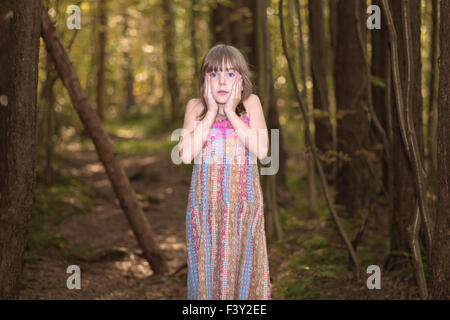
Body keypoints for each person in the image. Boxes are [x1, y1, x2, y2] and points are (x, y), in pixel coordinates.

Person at [178, 44, 271, 300]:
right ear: (204, 78)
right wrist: (210, 113)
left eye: (230, 74)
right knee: (206, 279)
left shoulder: (251, 104)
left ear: (241, 79)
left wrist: (230, 111)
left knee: (245, 275)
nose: (222, 80)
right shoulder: (195, 108)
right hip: (205, 210)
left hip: (244, 208)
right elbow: (185, 154)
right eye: (214, 73)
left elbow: (262, 150)